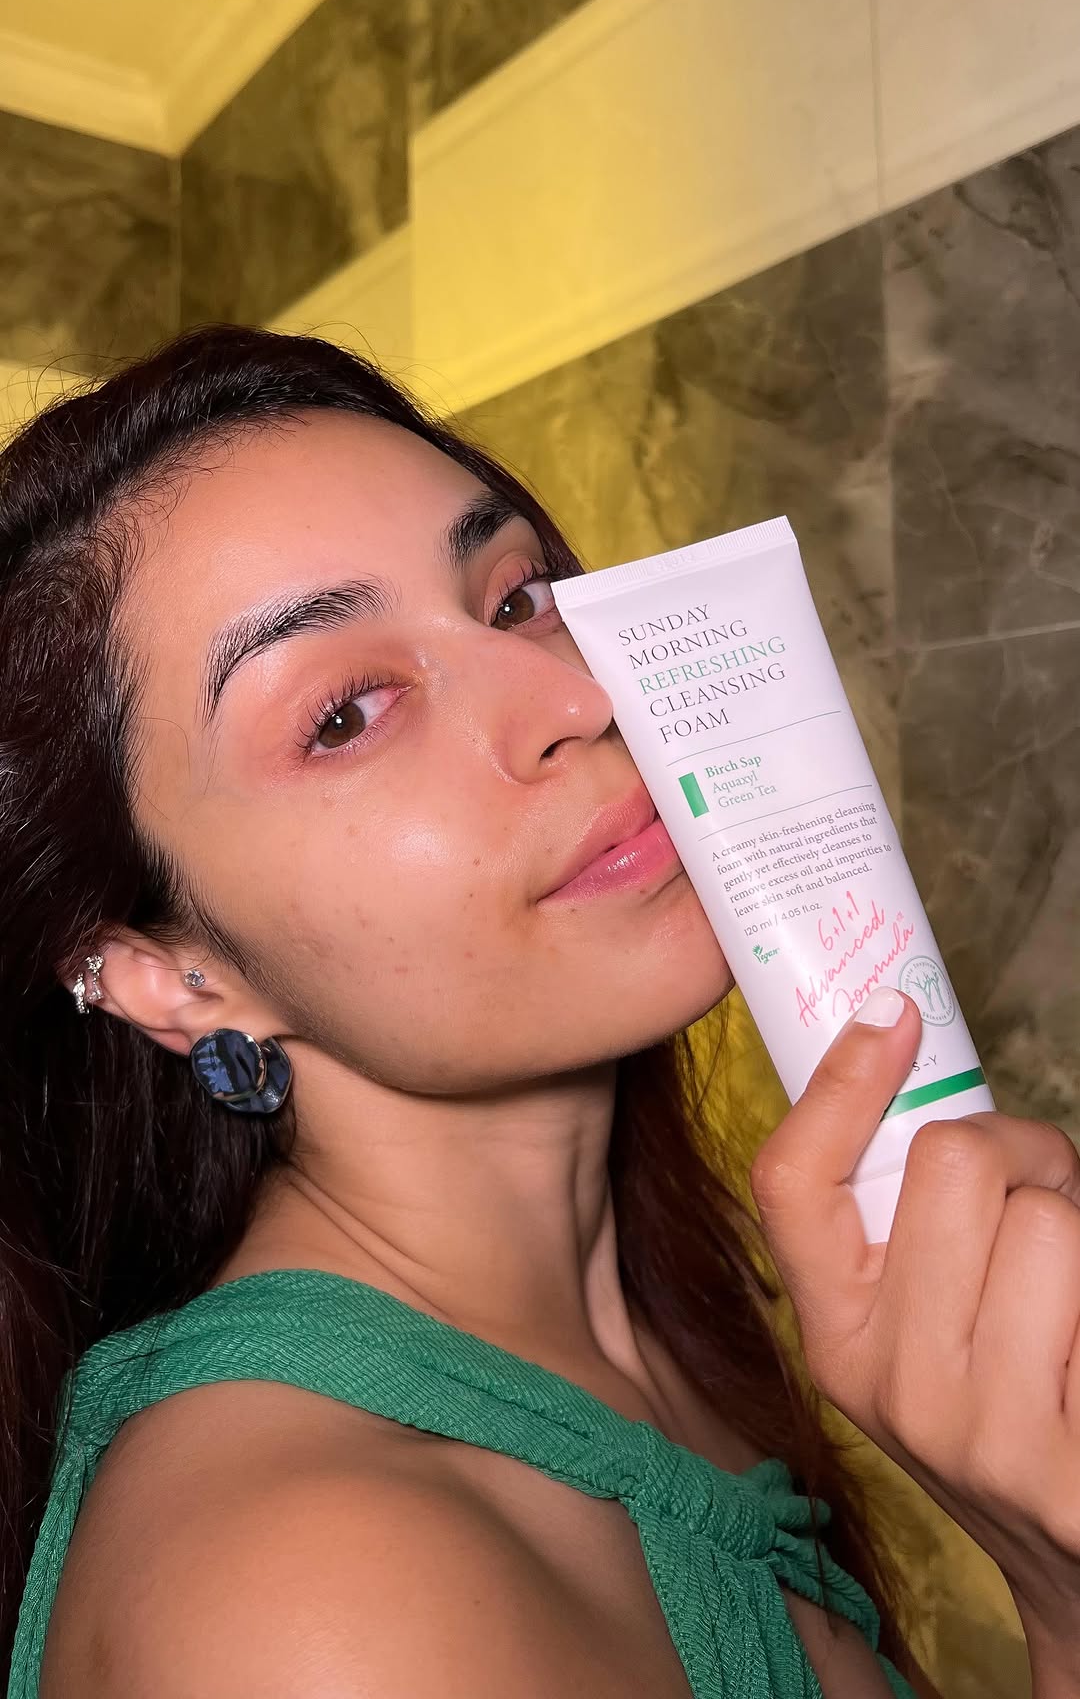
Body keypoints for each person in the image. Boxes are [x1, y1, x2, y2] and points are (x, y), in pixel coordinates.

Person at [0, 327, 1076, 1699]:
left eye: (514, 599)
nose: (583, 695)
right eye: (347, 714)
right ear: (171, 973)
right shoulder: (313, 1600)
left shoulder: (659, 1333)